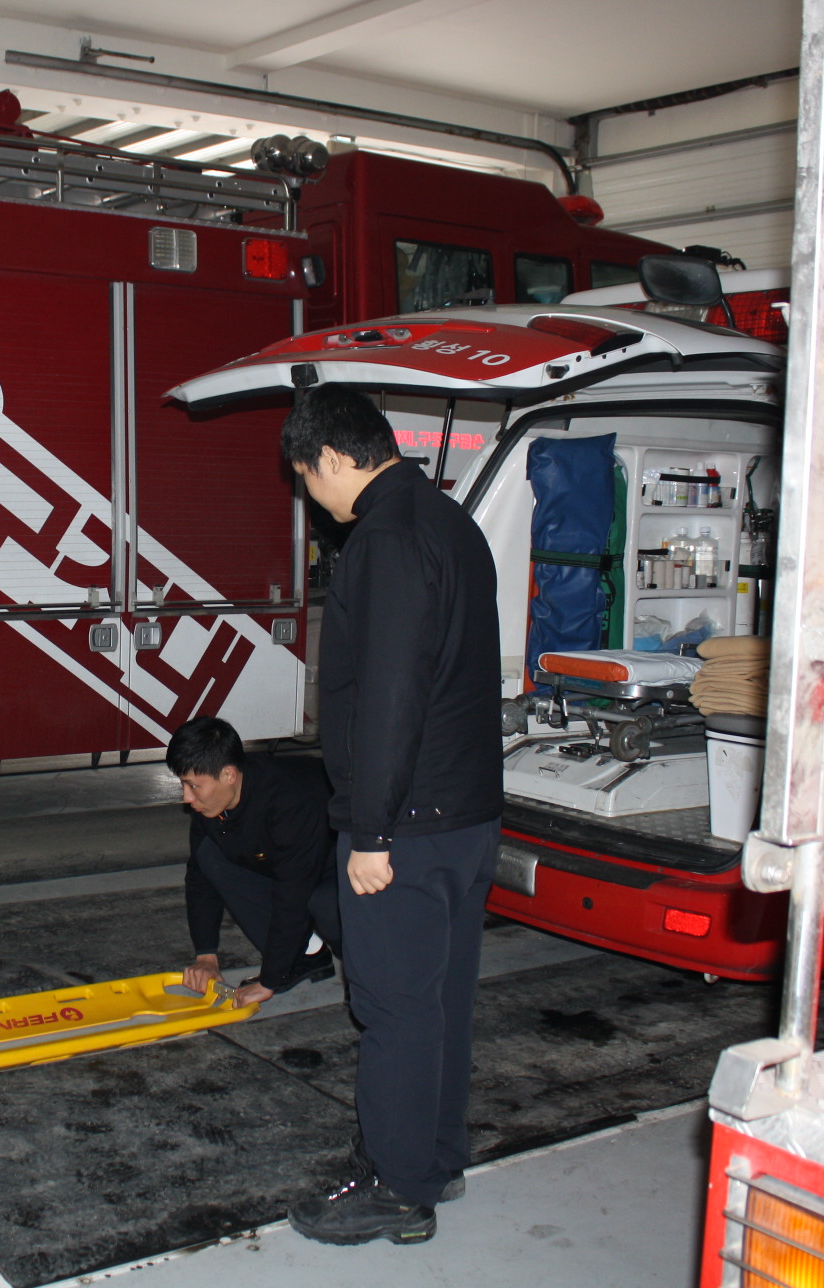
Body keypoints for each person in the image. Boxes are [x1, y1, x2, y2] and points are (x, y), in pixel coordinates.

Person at [280, 386, 503, 1247]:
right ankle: (433, 1157)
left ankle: (398, 1188)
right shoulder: (450, 522)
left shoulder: (384, 539)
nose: (311, 496)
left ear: (335, 458)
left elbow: (389, 696)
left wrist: (370, 832)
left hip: (405, 823)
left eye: (307, 478)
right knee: (438, 1001)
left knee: (393, 1007)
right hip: (464, 814)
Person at [168, 716, 338, 1006]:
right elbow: (199, 876)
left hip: (343, 864)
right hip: (289, 862)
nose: (186, 797)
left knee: (323, 905)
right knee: (210, 855)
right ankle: (306, 955)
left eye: (194, 786)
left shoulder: (289, 801)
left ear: (229, 775)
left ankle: (379, 975)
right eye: (183, 784)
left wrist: (269, 980)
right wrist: (206, 956)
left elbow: (293, 895)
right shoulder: (213, 802)